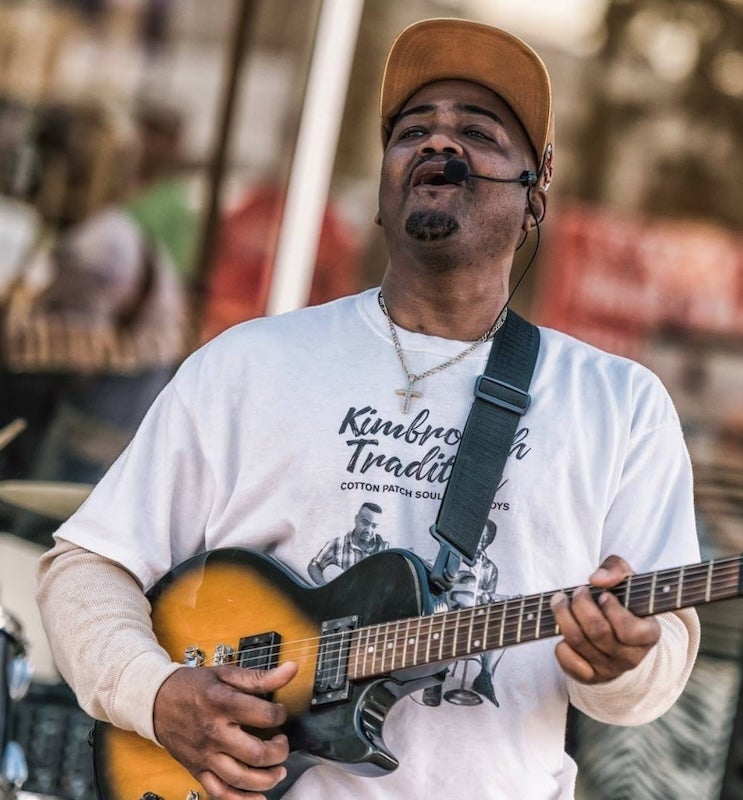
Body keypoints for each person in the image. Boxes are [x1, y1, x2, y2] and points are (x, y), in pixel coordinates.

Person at [36, 18, 701, 800]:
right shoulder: (249, 363)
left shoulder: (619, 405)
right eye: (412, 129)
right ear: (385, 186)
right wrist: (156, 695)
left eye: (478, 131)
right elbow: (87, 567)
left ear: (537, 188)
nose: (437, 144)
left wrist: (624, 661)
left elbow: (660, 662)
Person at [307, 501, 387, 585]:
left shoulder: (384, 550)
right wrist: (324, 586)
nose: (368, 530)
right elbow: (314, 566)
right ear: (356, 519)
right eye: (365, 523)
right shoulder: (336, 544)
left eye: (374, 526)